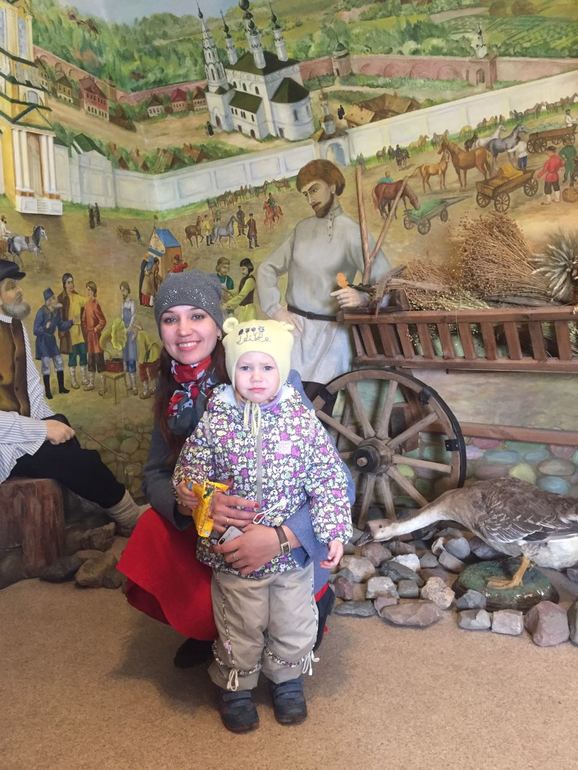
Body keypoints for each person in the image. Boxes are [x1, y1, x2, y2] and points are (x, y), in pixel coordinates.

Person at [117, 270, 351, 670]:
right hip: (217, 527)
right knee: (152, 528)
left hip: (280, 526)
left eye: (197, 316)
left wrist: (282, 537)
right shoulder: (173, 389)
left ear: (218, 324)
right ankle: (212, 628)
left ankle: (313, 599)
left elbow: (336, 478)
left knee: (281, 614)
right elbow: (155, 474)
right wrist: (191, 502)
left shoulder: (266, 373)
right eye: (171, 319)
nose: (184, 330)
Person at [173, 318, 352, 732]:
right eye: (245, 367)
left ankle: (287, 679)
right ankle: (235, 685)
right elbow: (190, 468)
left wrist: (333, 532)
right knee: (240, 625)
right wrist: (192, 492)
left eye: (267, 367)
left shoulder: (302, 423)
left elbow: (329, 479)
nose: (256, 377)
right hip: (235, 553)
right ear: (231, 370)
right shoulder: (215, 419)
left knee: (294, 623)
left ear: (282, 370)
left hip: (291, 560)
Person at [0, 259, 144, 531]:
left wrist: (51, 423)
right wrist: (42, 430)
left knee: (62, 424)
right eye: (10, 287)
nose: (18, 291)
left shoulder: (15, 326)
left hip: (20, 429)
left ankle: (91, 507)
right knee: (79, 461)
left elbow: (31, 387)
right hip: (4, 442)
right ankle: (128, 516)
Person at [257, 158, 391, 401]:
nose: (310, 199)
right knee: (284, 404)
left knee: (318, 408)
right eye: (305, 194)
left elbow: (386, 284)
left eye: (314, 189)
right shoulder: (302, 230)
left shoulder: (353, 233)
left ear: (332, 185)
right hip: (295, 333)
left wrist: (362, 297)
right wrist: (275, 310)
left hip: (331, 336)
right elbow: (266, 268)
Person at [33, 288, 72, 400]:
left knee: (59, 361)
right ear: (48, 301)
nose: (56, 300)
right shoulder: (41, 312)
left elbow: (61, 326)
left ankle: (61, 388)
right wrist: (45, 328)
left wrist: (71, 322)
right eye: (53, 298)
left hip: (52, 341)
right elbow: (35, 330)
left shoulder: (56, 312)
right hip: (43, 342)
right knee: (46, 365)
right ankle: (48, 392)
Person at [57, 273, 88, 390]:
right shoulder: (61, 299)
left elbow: (87, 302)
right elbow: (60, 322)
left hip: (80, 332)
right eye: (68, 282)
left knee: (83, 354)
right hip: (69, 334)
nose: (71, 285)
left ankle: (84, 378)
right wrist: (71, 322)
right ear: (64, 284)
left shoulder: (77, 296)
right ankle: (73, 380)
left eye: (72, 282)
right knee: (73, 357)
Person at [82, 281, 106, 394]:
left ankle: (103, 386)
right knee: (90, 360)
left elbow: (103, 321)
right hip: (90, 338)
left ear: (94, 291)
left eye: (90, 290)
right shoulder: (86, 305)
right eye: (87, 290)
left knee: (99, 361)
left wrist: (96, 329)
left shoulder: (96, 304)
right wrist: (86, 329)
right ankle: (91, 383)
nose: (88, 292)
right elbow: (83, 320)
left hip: (96, 338)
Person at [120, 281, 138, 395]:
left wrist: (129, 328)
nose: (123, 292)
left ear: (128, 290)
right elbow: (122, 318)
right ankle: (130, 384)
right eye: (121, 290)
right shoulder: (122, 304)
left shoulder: (132, 302)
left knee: (131, 358)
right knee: (125, 358)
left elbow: (133, 316)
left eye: (124, 290)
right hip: (124, 334)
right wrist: (121, 328)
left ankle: (135, 385)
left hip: (130, 333)